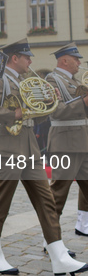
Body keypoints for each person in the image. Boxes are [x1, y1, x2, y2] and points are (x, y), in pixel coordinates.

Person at [0, 38, 88, 275]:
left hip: (29, 145)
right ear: (14, 58)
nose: (30, 60)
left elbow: (35, 116)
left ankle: (58, 254)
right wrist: (13, 113)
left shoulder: (24, 80)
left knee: (46, 200)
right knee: (2, 202)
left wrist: (44, 105)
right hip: (8, 145)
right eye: (26, 57)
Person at [45, 44, 88, 239]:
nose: (79, 62)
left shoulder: (73, 80)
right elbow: (56, 111)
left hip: (82, 141)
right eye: (75, 59)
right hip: (65, 143)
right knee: (59, 193)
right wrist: (84, 102)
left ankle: (83, 224)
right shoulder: (52, 80)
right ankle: (51, 239)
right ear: (64, 60)